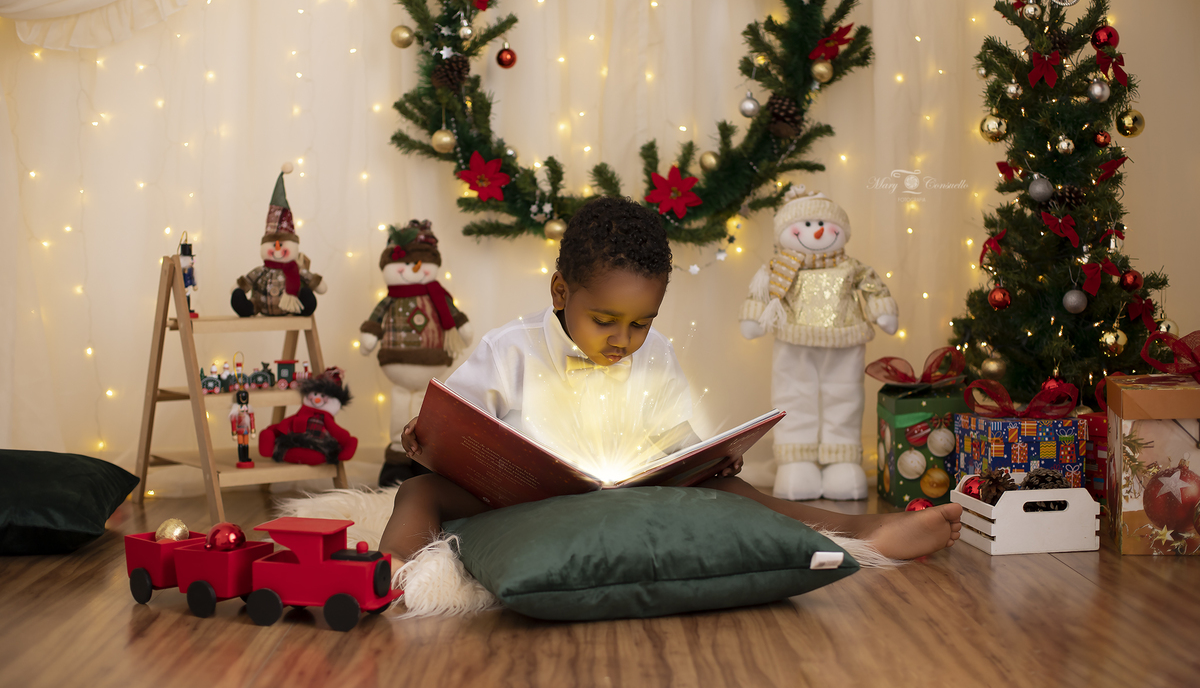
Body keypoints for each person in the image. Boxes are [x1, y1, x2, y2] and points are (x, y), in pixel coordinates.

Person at [378, 197, 961, 563]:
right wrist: (425, 439)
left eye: (641, 322)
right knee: (418, 491)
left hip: (625, 496)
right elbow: (454, 421)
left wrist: (705, 461)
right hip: (523, 501)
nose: (622, 339)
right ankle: (400, 571)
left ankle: (861, 530)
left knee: (735, 493)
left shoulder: (656, 353)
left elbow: (671, 440)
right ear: (561, 293)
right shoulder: (510, 347)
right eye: (604, 321)